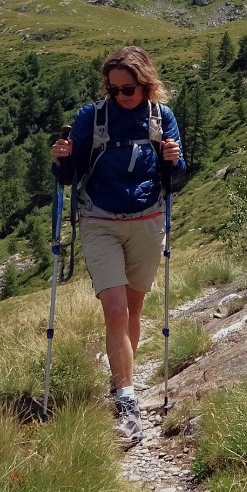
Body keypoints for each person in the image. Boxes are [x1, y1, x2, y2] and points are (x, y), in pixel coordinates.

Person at [51, 46, 185, 448]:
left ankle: (119, 375)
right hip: (100, 222)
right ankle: (127, 402)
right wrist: (59, 160)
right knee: (116, 310)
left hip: (147, 222)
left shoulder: (162, 118)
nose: (120, 96)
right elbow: (68, 174)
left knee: (134, 310)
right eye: (113, 90)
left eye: (127, 90)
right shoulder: (92, 117)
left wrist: (175, 161)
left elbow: (175, 180)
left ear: (145, 85)